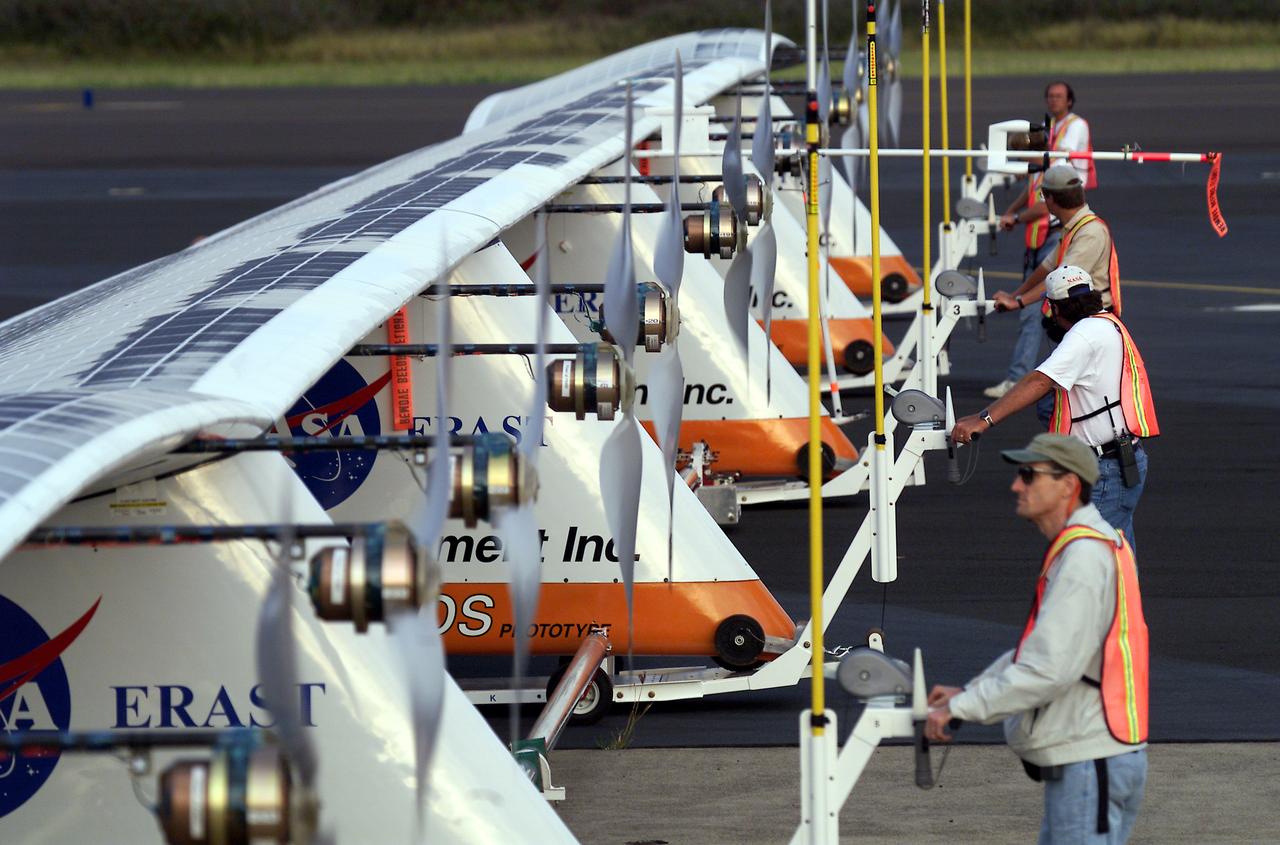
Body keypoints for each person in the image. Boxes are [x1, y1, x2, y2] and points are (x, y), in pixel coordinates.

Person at [925, 433, 1149, 844]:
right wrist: (971, 691)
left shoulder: (1083, 559)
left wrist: (963, 707)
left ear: (1068, 485)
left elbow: (1048, 669)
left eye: (1029, 475)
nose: (1016, 485)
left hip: (1088, 762)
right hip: (1094, 757)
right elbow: (1045, 651)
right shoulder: (1094, 547)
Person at [952, 265, 1157, 548]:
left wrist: (983, 418)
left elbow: (1039, 381)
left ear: (1055, 309)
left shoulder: (1083, 335)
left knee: (1094, 554)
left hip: (1105, 469)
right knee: (1116, 554)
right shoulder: (1107, 324)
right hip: (1117, 460)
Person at [984, 80, 1096, 400]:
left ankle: (1023, 377)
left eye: (1059, 95)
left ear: (1070, 100)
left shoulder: (1070, 133)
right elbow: (1034, 186)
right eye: (1050, 95)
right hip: (1042, 229)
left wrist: (1017, 215)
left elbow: (1049, 184)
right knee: (1039, 306)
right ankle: (1052, 375)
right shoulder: (1048, 138)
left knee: (1036, 309)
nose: (1053, 99)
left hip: (1053, 228)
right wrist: (1013, 210)